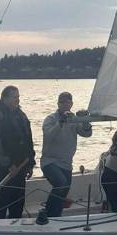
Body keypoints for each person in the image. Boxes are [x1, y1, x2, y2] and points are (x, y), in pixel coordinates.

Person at [38, 91, 92, 220]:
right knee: (61, 184)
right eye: (61, 102)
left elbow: (86, 134)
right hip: (49, 162)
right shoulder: (50, 119)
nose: (64, 104)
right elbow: (48, 135)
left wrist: (85, 121)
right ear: (58, 104)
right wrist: (60, 122)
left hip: (66, 164)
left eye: (66, 102)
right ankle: (47, 213)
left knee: (63, 192)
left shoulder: (74, 120)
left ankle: (55, 217)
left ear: (71, 104)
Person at [0, 85, 35, 219]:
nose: (17, 100)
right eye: (14, 97)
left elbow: (28, 140)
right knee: (0, 205)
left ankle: (14, 230)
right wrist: (7, 164)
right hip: (3, 170)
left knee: (17, 205)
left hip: (20, 168)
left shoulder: (21, 115)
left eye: (18, 97)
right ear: (5, 98)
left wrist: (30, 164)